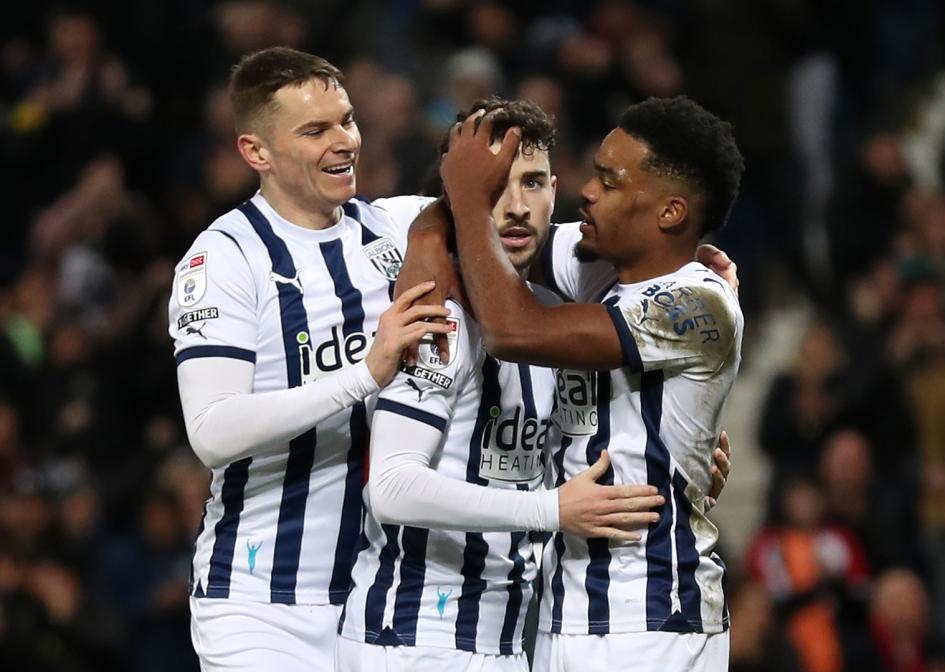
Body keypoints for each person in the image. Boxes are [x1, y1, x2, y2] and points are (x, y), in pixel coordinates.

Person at [168, 48, 674, 671]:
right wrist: (364, 373)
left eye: (346, 120)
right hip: (263, 595)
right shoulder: (223, 258)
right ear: (256, 152)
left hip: (367, 588)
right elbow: (212, 432)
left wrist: (687, 266)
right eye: (315, 130)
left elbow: (535, 236)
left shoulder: (397, 226)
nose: (344, 142)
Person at [337, 97, 737, 670]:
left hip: (645, 618)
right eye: (495, 186)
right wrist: (436, 225)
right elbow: (393, 485)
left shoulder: (674, 299)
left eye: (536, 183)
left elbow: (513, 327)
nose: (587, 194)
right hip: (440, 633)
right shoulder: (447, 311)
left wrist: (688, 453)